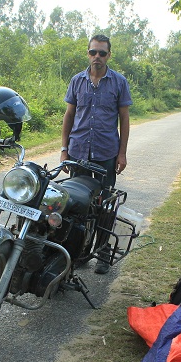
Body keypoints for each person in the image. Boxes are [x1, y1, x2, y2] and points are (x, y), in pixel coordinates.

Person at [61, 34, 132, 273]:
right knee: (76, 205)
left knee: (104, 205)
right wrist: (64, 150)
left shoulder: (119, 82)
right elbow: (69, 115)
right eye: (93, 52)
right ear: (88, 54)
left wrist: (121, 154)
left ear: (109, 55)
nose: (97, 57)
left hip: (105, 153)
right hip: (78, 151)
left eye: (102, 53)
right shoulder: (77, 81)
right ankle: (79, 253)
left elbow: (124, 119)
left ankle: (102, 252)